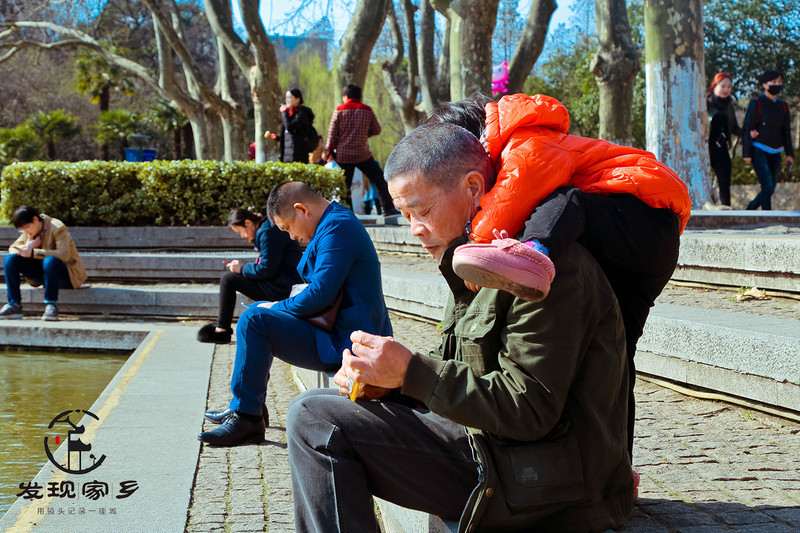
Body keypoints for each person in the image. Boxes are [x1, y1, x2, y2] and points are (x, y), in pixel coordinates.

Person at [286, 123, 634, 532]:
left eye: (423, 210)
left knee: (314, 417)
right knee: (327, 411)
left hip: (550, 482)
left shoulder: (538, 269)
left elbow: (530, 408)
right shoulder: (471, 262)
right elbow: (465, 366)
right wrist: (390, 382)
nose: (415, 228)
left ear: (473, 187)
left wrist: (411, 371)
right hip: (501, 452)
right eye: (405, 215)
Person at [426, 93, 690, 460]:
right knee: (619, 352)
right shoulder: (526, 139)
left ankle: (535, 252)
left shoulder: (525, 140)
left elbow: (513, 193)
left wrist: (478, 241)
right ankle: (618, 468)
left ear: (476, 142)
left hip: (640, 208)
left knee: (565, 200)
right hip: (649, 237)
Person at [199, 182, 392, 446]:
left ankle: (247, 416)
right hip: (337, 331)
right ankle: (246, 408)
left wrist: (275, 306)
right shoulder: (334, 223)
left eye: (287, 227)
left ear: (302, 210)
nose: (290, 237)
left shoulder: (338, 226)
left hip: (348, 342)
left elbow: (320, 293)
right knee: (255, 313)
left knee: (255, 318)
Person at [197, 208, 302, 345]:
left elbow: (266, 270)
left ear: (248, 223)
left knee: (228, 279)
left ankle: (222, 331)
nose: (243, 236)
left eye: (241, 231)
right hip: (279, 283)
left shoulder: (268, 232)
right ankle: (222, 329)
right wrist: (242, 268)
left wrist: (241, 268)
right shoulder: (266, 229)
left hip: (282, 289)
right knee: (230, 278)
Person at [322, 83, 399, 216]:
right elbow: (377, 129)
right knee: (379, 178)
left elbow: (332, 134)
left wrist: (328, 152)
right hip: (362, 153)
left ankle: (347, 213)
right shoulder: (367, 110)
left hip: (343, 155)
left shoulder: (339, 110)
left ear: (345, 96)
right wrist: (362, 135)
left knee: (345, 186)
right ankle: (387, 208)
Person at [1, 206, 87, 321]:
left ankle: (51, 305)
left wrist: (33, 252)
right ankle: (14, 304)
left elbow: (64, 254)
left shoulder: (57, 227)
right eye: (22, 229)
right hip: (45, 275)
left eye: (26, 227)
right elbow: (12, 248)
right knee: (10, 260)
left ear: (35, 220)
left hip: (68, 275)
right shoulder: (29, 230)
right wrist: (28, 246)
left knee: (50, 260)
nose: (25, 231)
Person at [743, 70, 794, 211]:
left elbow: (786, 131)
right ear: (765, 85)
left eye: (779, 82)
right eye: (773, 82)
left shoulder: (783, 105)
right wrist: (746, 153)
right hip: (759, 148)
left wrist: (790, 154)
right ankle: (766, 213)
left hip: (776, 150)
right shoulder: (756, 103)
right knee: (767, 184)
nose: (777, 85)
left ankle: (751, 209)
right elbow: (748, 127)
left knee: (771, 187)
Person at [707, 72, 743, 206]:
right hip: (706, 148)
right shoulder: (705, 103)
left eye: (729, 87)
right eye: (723, 86)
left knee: (724, 182)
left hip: (722, 149)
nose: (726, 90)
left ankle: (725, 210)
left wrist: (749, 133)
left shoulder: (729, 106)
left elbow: (735, 129)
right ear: (714, 86)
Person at [266, 88, 317, 163]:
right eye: (286, 97)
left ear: (297, 99)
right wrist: (277, 137)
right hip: (287, 155)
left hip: (298, 155)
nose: (287, 100)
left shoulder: (302, 114)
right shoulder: (290, 114)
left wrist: (284, 113)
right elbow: (290, 135)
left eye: (290, 97)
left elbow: (290, 127)